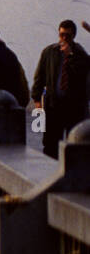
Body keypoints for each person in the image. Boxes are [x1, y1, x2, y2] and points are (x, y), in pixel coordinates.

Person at [31, 19, 90, 157]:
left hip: (73, 108)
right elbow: (40, 76)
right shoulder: (49, 52)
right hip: (53, 106)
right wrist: (37, 100)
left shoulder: (80, 53)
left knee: (74, 145)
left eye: (67, 36)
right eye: (61, 35)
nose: (63, 38)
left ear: (73, 36)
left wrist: (70, 55)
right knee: (51, 145)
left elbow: (82, 73)